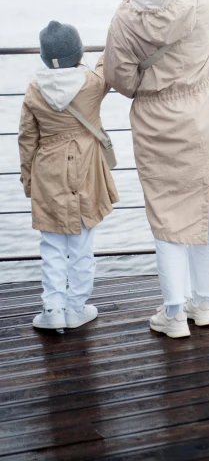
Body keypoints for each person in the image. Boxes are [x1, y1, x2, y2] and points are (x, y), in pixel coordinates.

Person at [104, 0, 209, 339]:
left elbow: (120, 78)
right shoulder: (202, 3)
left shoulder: (125, 18)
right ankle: (204, 304)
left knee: (168, 218)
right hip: (205, 120)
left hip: (157, 126)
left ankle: (174, 314)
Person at [18, 21, 119, 330]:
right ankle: (76, 306)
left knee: (51, 246)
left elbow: (26, 139)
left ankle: (52, 309)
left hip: (47, 171)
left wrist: (28, 182)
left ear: (45, 58)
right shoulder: (91, 83)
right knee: (82, 244)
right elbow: (108, 67)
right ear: (78, 53)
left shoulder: (35, 88)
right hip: (86, 169)